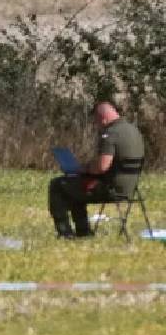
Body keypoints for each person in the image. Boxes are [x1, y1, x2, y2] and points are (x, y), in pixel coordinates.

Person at [48, 102, 145, 238]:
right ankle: (83, 232)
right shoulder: (134, 131)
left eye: (96, 122)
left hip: (111, 189)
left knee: (57, 185)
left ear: (102, 118)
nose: (98, 126)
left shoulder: (111, 134)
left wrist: (84, 169)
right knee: (75, 187)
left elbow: (102, 167)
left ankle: (66, 233)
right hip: (130, 188)